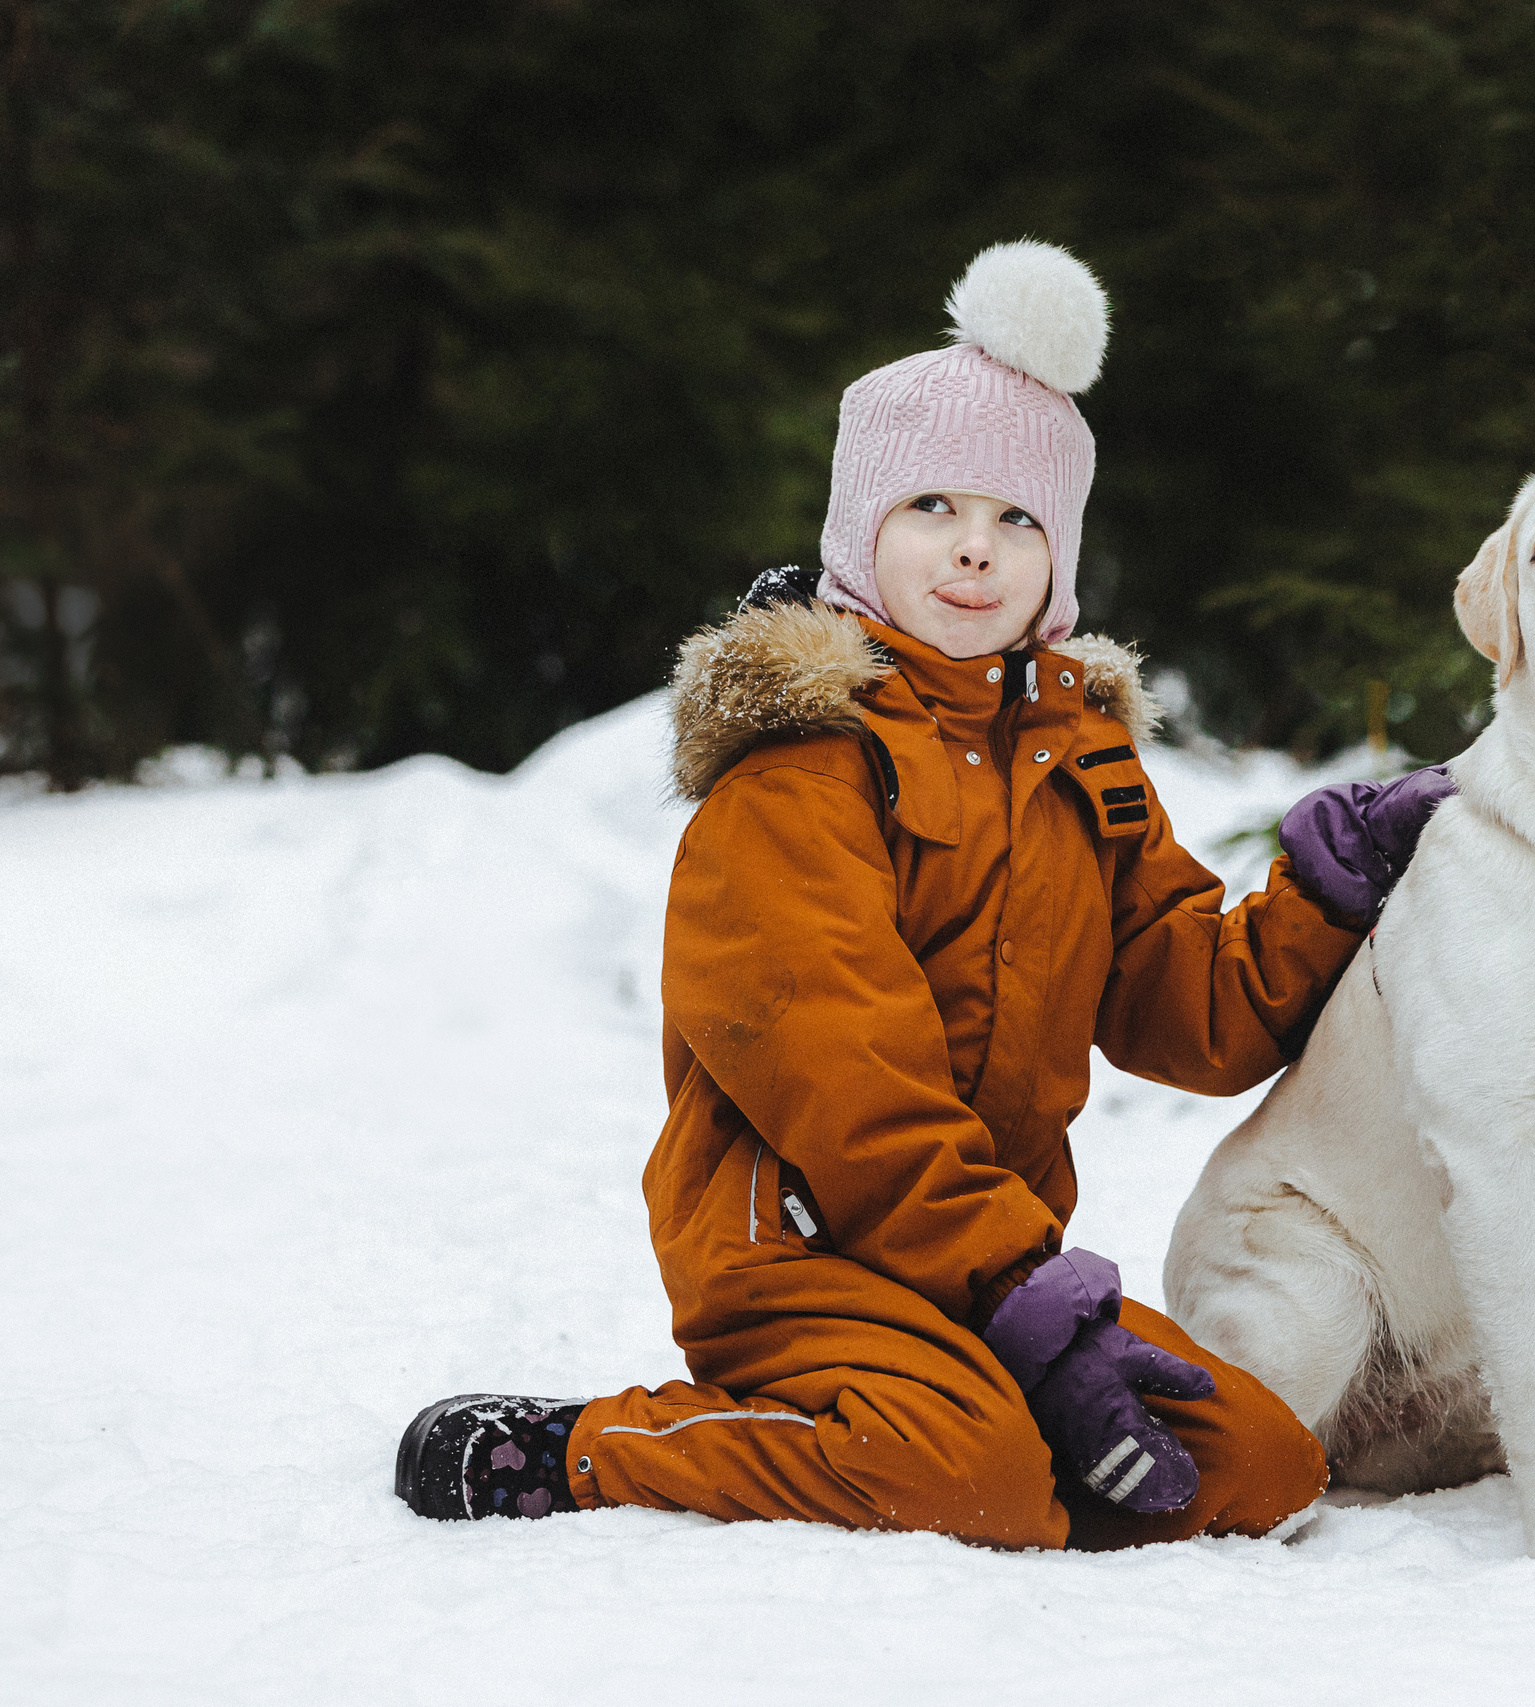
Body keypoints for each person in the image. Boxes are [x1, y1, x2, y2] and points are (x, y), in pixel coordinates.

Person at [392, 242, 1451, 1550]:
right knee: (973, 1480)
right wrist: (1023, 1297)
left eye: (1019, 520)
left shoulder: (1082, 757)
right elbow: (848, 1082)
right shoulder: (798, 764)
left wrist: (1323, 893)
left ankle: (965, 1408)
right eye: (932, 508)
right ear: (860, 530)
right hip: (806, 1254)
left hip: (1001, 1268)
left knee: (1257, 1468)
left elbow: (1192, 1014)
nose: (975, 551)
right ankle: (588, 1449)